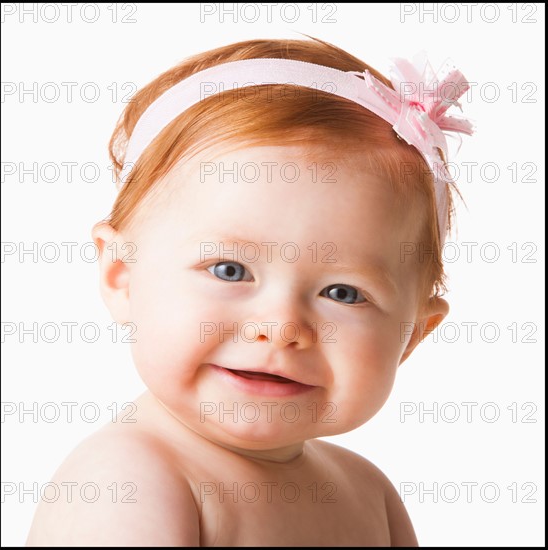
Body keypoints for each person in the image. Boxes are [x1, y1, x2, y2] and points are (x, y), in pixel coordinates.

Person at [27, 37, 473, 546]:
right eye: (230, 270)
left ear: (411, 333)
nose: (280, 327)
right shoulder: (125, 481)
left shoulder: (370, 494)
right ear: (122, 274)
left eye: (343, 293)